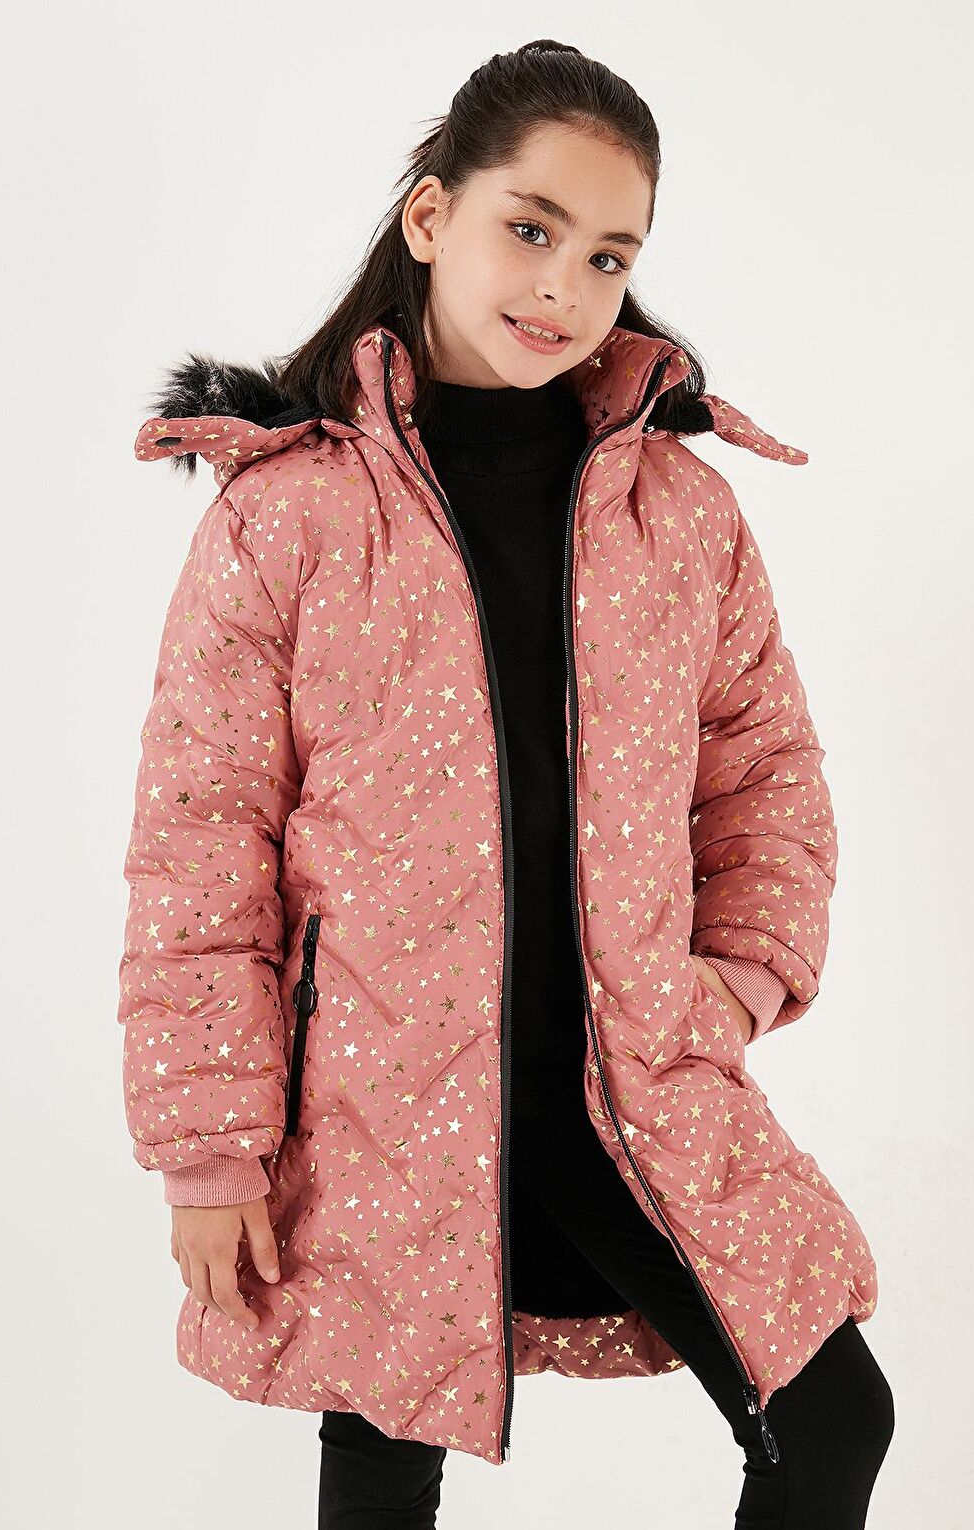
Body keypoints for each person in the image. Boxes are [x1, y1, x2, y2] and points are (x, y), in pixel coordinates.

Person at [118, 37, 894, 1529]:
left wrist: (737, 977)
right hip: (381, 1107)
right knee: (383, 1464)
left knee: (833, 1415)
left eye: (608, 255)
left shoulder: (680, 513)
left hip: (633, 1088)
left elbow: (765, 772)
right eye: (530, 228)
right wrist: (209, 1147)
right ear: (432, 217)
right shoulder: (288, 517)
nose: (563, 285)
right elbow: (201, 850)